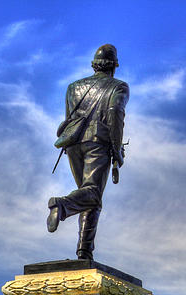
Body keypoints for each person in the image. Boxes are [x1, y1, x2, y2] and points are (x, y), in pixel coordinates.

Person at [47, 44, 129, 260]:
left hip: (73, 144)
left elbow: (69, 119)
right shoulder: (119, 87)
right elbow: (115, 114)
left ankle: (84, 252)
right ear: (114, 67)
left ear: (94, 66)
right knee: (92, 192)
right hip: (97, 142)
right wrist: (116, 149)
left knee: (89, 196)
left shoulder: (73, 87)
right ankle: (61, 205)